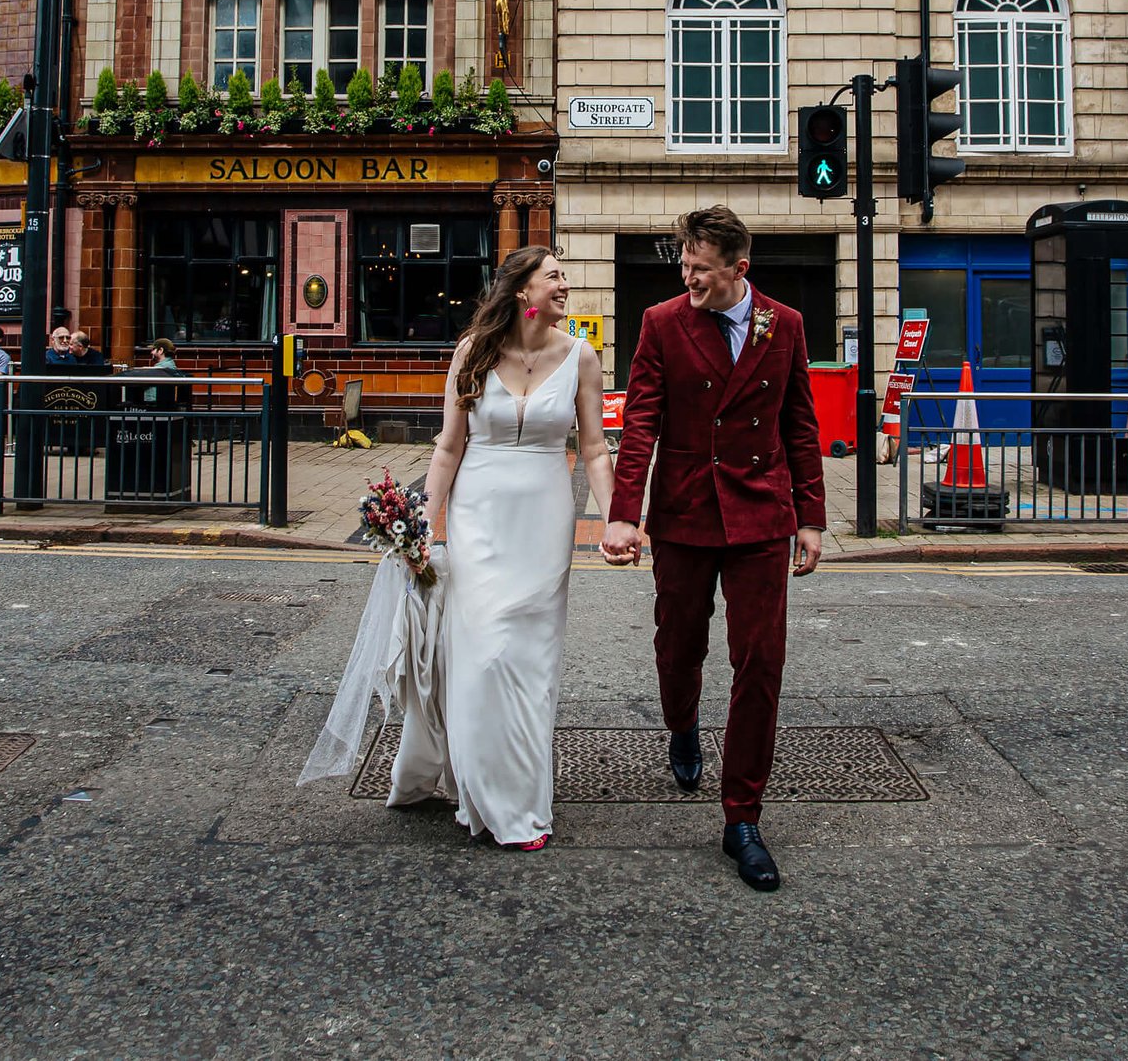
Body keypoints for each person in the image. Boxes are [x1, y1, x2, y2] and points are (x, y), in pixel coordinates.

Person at [352, 246, 610, 851]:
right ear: (523, 291)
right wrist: (421, 523)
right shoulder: (472, 353)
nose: (565, 286)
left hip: (545, 520)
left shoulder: (582, 356)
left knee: (530, 662)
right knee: (484, 654)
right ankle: (483, 789)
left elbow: (596, 449)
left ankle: (520, 803)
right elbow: (448, 448)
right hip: (479, 516)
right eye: (554, 277)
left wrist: (621, 516)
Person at [603, 205, 822, 893]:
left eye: (700, 266)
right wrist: (622, 515)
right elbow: (640, 424)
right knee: (678, 646)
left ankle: (742, 818)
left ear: (739, 268)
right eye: (684, 263)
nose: (687, 275)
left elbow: (800, 422)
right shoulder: (663, 323)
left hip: (762, 513)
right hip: (685, 512)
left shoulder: (783, 324)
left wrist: (811, 516)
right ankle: (683, 722)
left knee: (761, 660)